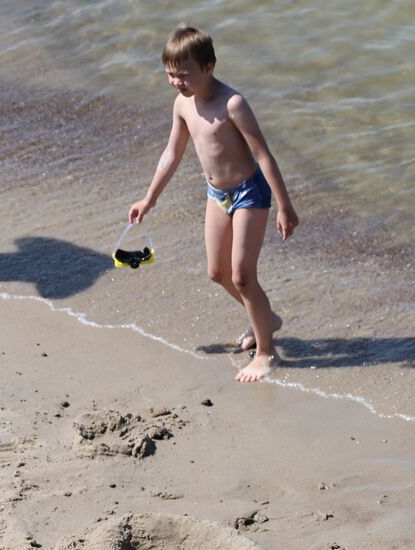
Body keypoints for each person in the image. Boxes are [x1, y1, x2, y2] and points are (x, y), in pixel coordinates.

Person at [128, 25, 299, 383]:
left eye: (184, 74)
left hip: (250, 193)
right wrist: (149, 198)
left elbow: (262, 155)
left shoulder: (232, 104)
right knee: (217, 273)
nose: (177, 82)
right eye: (171, 74)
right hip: (216, 195)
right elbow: (172, 153)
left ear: (209, 67)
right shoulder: (182, 104)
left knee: (242, 275)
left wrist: (284, 206)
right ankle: (266, 321)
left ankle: (267, 353)